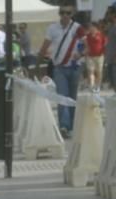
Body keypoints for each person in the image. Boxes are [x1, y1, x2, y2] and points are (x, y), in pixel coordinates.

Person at [39, 4, 85, 137]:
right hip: (59, 68)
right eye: (62, 13)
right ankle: (64, 127)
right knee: (62, 97)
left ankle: (71, 126)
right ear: (59, 14)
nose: (65, 15)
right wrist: (38, 65)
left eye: (68, 13)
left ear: (72, 14)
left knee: (72, 98)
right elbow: (44, 46)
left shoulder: (77, 28)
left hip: (75, 68)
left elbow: (87, 46)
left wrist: (80, 54)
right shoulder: (52, 28)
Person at [84, 21, 106, 91]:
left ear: (95, 27)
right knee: (91, 71)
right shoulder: (87, 36)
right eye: (90, 27)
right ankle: (92, 86)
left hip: (99, 56)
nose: (90, 28)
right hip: (90, 56)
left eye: (92, 26)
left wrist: (103, 51)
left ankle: (98, 86)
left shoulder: (101, 35)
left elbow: (105, 44)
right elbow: (85, 44)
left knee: (99, 71)